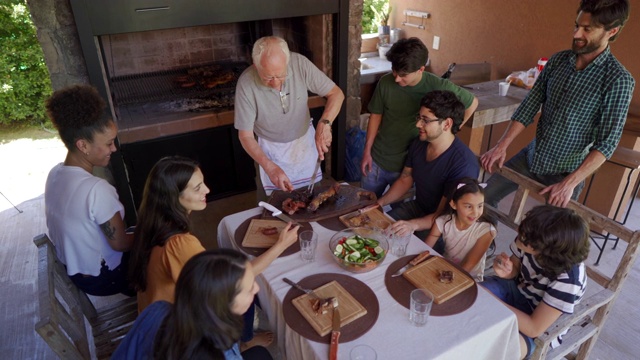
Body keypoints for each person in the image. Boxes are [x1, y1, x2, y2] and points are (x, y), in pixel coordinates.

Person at [128, 156, 299, 350]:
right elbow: (235, 279)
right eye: (197, 188)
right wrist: (281, 245)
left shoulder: (152, 223)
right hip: (176, 336)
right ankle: (244, 343)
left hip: (155, 320)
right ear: (174, 197)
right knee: (244, 291)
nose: (207, 190)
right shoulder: (179, 244)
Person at [481, 0, 635, 209]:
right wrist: (501, 146)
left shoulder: (617, 79)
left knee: (550, 236)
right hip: (532, 156)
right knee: (484, 198)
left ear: (612, 31)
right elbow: (529, 105)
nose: (576, 34)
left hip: (567, 172)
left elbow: (606, 143)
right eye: (576, 25)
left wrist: (569, 183)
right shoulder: (558, 61)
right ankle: (484, 241)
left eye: (587, 29)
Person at [44, 84, 134, 296]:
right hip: (104, 278)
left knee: (144, 232)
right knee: (167, 245)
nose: (114, 149)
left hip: (79, 273)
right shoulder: (96, 190)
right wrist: (153, 235)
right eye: (109, 143)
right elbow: (120, 244)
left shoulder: (55, 174)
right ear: (83, 145)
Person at [361, 37, 478, 198]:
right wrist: (367, 151)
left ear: (421, 69)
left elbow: (472, 103)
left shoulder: (438, 85)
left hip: (408, 165)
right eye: (394, 71)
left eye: (403, 75)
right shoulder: (385, 83)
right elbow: (375, 116)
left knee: (395, 216)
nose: (396, 78)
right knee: (362, 205)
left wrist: (452, 131)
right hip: (378, 159)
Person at [234, 36, 345, 196]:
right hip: (269, 151)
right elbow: (245, 136)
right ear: (256, 66)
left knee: (312, 200)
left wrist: (325, 123)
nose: (276, 83)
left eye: (280, 75)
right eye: (268, 78)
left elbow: (336, 94)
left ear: (287, 62)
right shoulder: (246, 83)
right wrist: (269, 166)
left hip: (304, 145)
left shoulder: (299, 63)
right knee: (271, 208)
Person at [113, 249, 273, 360]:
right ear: (223, 303)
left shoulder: (157, 309)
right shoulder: (222, 353)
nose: (257, 288)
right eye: (249, 288)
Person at [481, 205, 589, 359]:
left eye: (526, 237)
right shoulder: (528, 240)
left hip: (541, 324)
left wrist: (492, 302)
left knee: (503, 351)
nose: (520, 235)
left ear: (548, 250)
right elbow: (515, 269)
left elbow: (533, 328)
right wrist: (508, 271)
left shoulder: (568, 279)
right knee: (470, 297)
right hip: (518, 292)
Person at [376, 90, 480, 244]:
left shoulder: (463, 164)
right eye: (419, 118)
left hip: (445, 224)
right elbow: (405, 179)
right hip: (419, 207)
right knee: (378, 228)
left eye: (425, 120)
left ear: (447, 124)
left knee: (400, 249)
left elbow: (445, 215)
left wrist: (413, 225)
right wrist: (379, 203)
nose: (418, 124)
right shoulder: (419, 143)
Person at [425, 177, 496, 281]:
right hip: (445, 270)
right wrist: (421, 257)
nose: (475, 213)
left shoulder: (486, 231)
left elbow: (469, 264)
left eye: (480, 206)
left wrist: (447, 279)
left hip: (469, 278)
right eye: (468, 207)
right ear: (453, 204)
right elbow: (429, 244)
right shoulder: (443, 221)